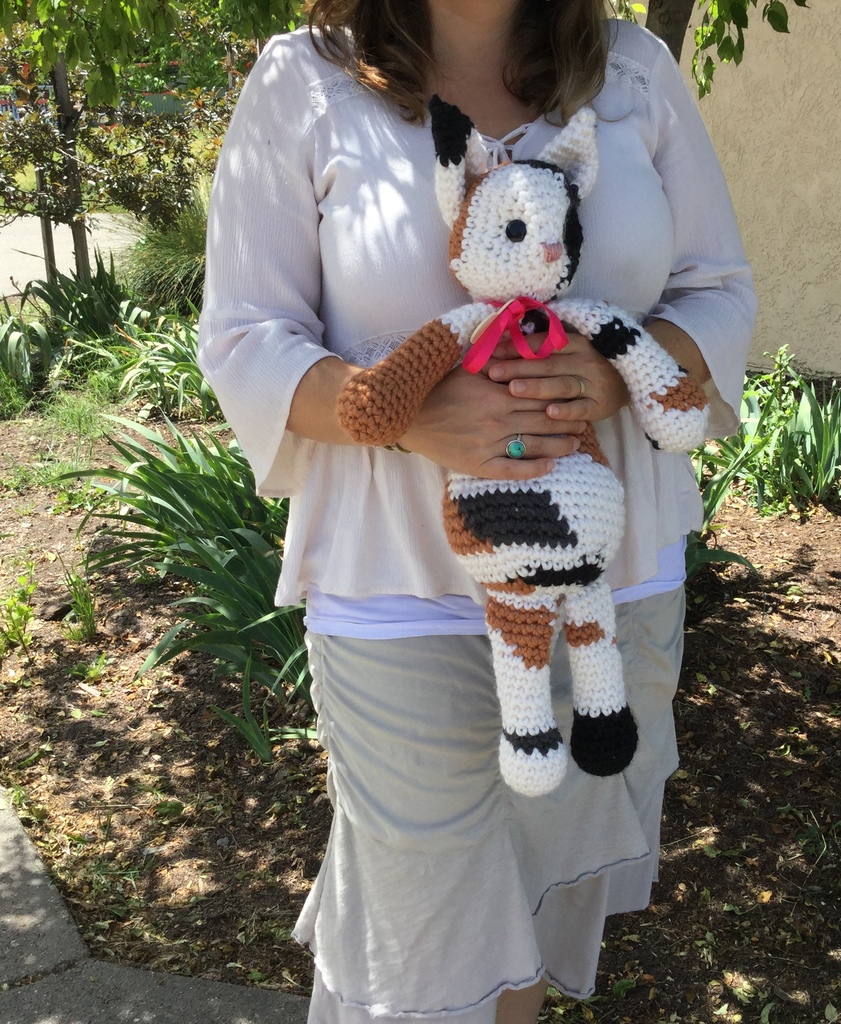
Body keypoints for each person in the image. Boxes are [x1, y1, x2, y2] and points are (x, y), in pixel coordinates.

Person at [197, 0, 756, 1020]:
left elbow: (716, 291)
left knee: (528, 911)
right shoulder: (304, 82)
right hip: (392, 586)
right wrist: (405, 415)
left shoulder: (633, 72)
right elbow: (244, 335)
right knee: (419, 931)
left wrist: (618, 371)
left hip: (610, 576)